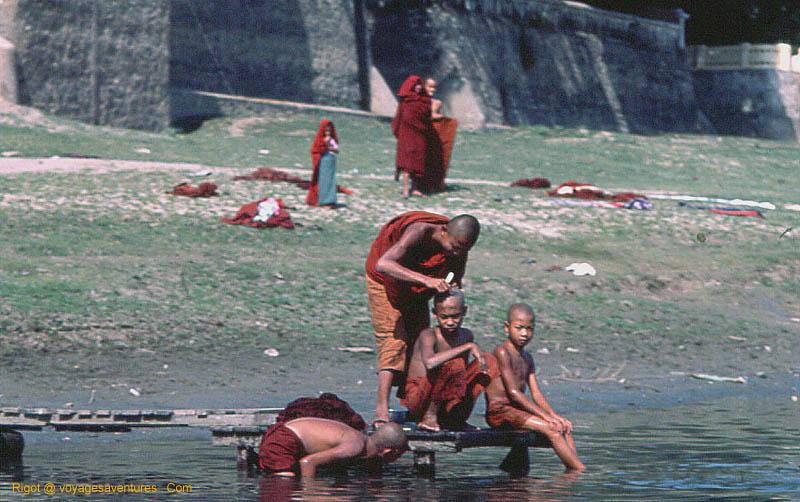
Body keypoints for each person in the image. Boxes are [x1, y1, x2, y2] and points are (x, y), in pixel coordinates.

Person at [365, 211, 481, 426]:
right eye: (455, 247)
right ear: (444, 231)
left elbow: (456, 277)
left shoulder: (458, 248)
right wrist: (427, 280)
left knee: (420, 340)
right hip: (384, 281)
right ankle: (381, 409)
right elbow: (384, 264)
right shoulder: (418, 231)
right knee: (394, 342)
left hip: (417, 288)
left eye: (463, 250)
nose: (457, 253)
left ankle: (416, 405)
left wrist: (449, 291)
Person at [484, 303, 586, 471]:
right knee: (551, 429)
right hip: (500, 413)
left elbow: (536, 393)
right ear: (507, 327)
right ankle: (578, 471)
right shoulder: (502, 352)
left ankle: (574, 467)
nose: (524, 333)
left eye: (529, 329)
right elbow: (514, 393)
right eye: (519, 328)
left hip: (518, 412)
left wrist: (554, 415)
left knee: (563, 427)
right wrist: (546, 419)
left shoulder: (527, 357)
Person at [403, 288, 495, 432]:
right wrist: (468, 347)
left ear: (464, 312)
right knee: (454, 364)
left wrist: (478, 356)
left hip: (445, 398)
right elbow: (430, 363)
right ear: (435, 314)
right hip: (420, 399)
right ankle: (430, 417)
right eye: (444, 317)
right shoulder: (429, 335)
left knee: (490, 361)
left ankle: (457, 418)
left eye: (455, 316)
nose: (450, 322)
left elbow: (458, 379)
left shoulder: (466, 335)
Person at [258, 417, 407, 477]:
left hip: (286, 436)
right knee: (284, 487)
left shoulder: (357, 438)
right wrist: (311, 493)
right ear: (389, 452)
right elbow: (308, 462)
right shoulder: (355, 446)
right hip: (283, 442)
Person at [392, 75, 432, 198]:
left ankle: (415, 189)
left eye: (420, 85)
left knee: (417, 163)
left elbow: (427, 118)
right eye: (415, 85)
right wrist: (398, 131)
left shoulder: (425, 101)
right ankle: (405, 190)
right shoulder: (406, 101)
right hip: (407, 134)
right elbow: (399, 117)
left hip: (420, 135)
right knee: (407, 164)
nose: (418, 87)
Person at [420, 77, 458, 193]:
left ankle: (434, 184)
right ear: (424, 87)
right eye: (430, 86)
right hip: (423, 134)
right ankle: (420, 185)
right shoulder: (419, 101)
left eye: (434, 87)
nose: (432, 89)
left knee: (436, 159)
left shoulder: (437, 102)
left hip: (434, 135)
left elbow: (437, 119)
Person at [306, 120, 339, 208]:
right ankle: (324, 201)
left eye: (329, 130)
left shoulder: (332, 140)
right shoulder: (320, 139)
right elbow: (317, 149)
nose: (328, 132)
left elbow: (336, 149)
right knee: (323, 180)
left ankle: (330, 200)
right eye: (326, 131)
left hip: (330, 160)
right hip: (323, 160)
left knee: (330, 181)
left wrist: (329, 147)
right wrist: (325, 144)